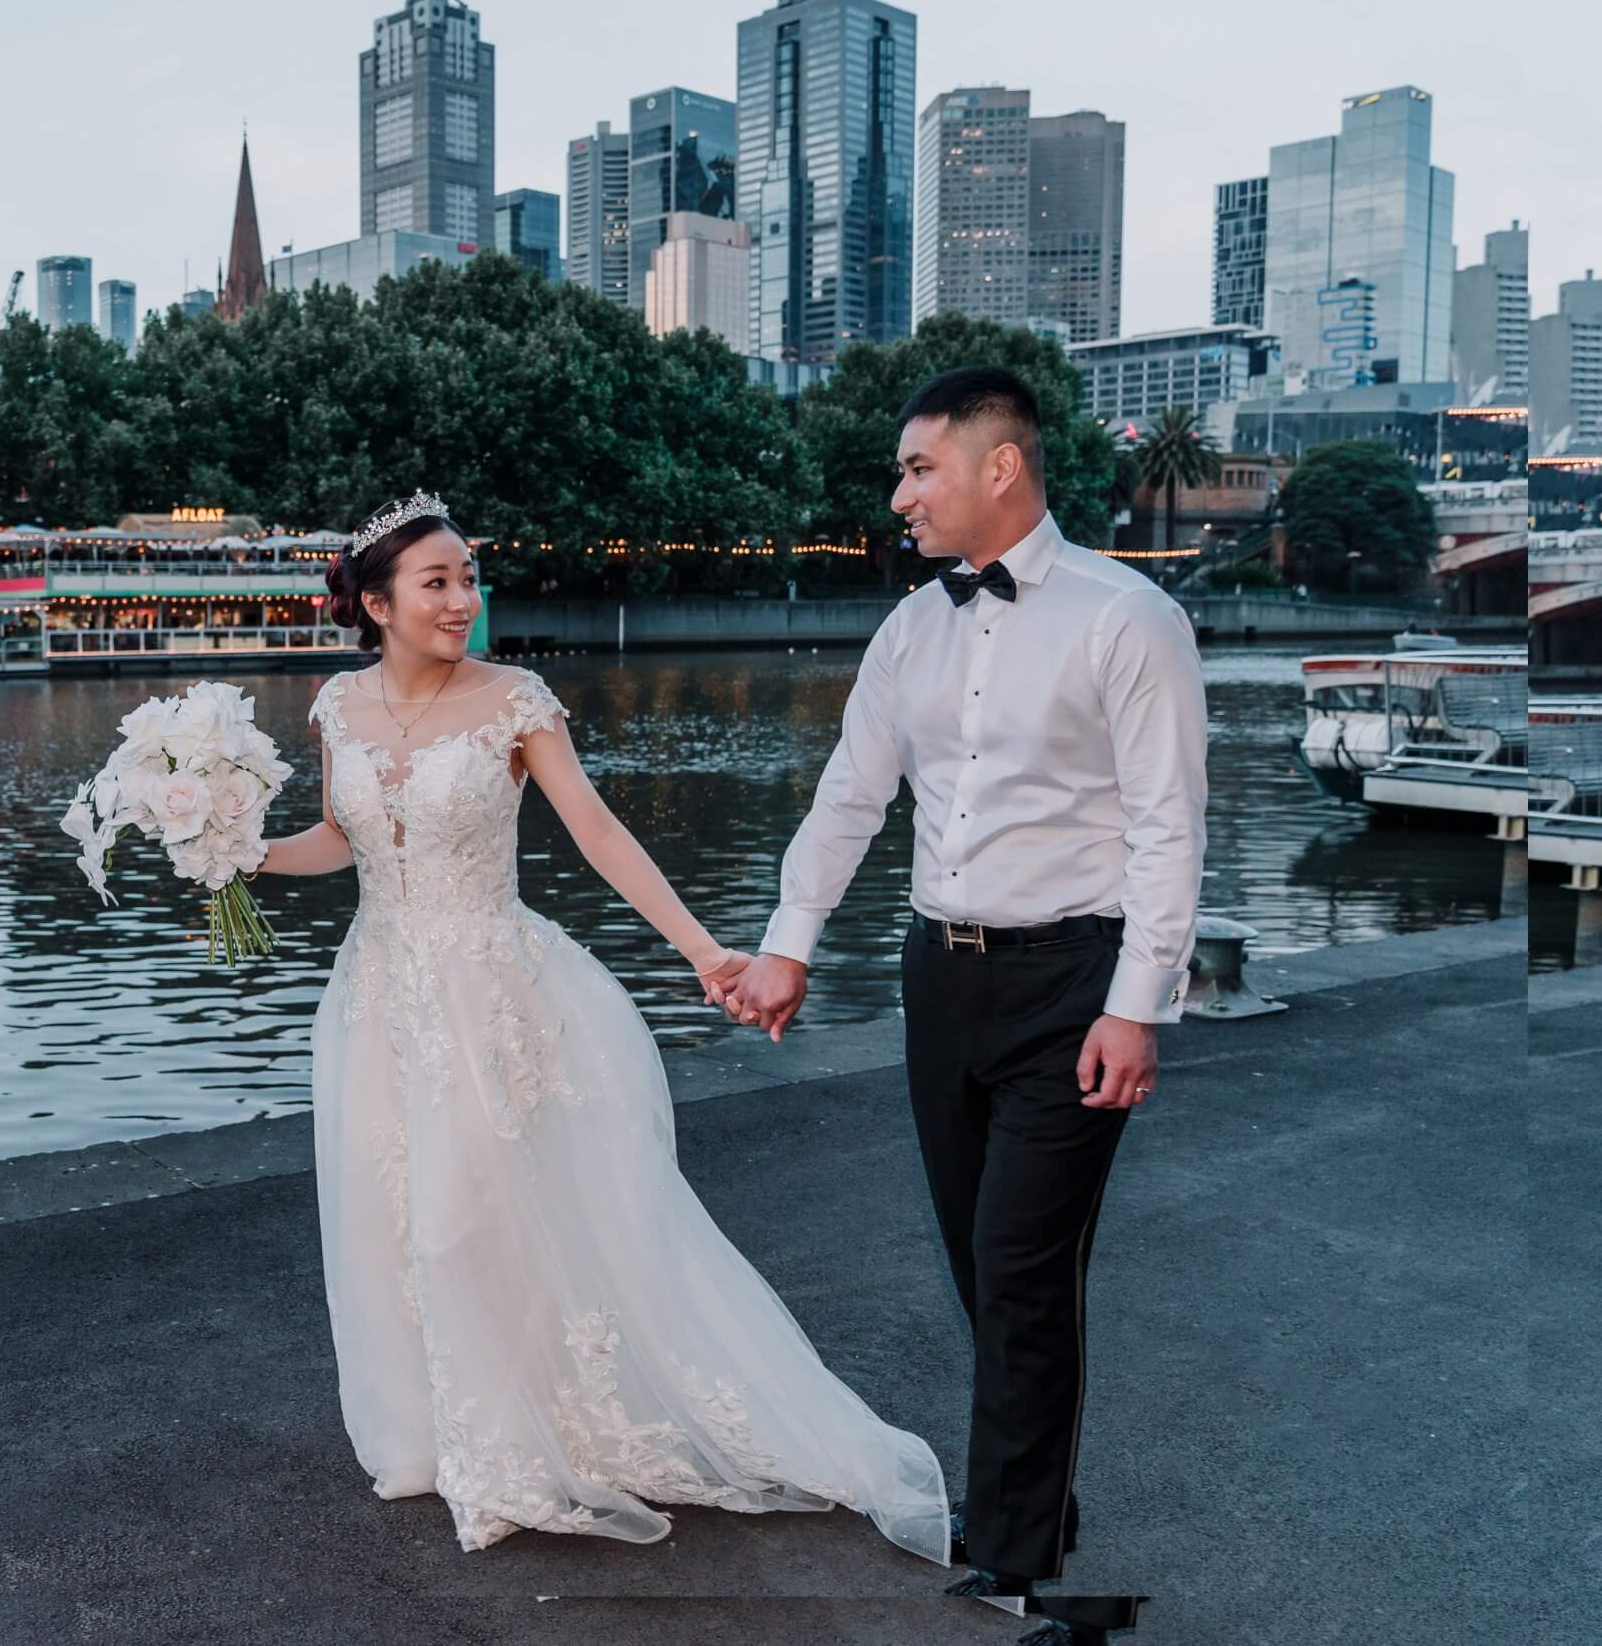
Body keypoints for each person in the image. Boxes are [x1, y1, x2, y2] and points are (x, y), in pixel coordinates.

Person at [252, 491, 950, 1564]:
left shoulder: (514, 700)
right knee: (394, 1217)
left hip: (492, 993)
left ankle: (519, 1446)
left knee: (463, 1220)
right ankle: (443, 1432)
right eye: (436, 583)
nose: (462, 600)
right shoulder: (336, 707)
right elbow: (338, 842)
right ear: (376, 602)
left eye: (468, 579)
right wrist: (235, 850)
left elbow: (596, 832)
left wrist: (703, 950)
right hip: (377, 997)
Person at [713, 366, 1207, 1643]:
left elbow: (1168, 829)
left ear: (1001, 467)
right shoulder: (909, 629)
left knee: (1025, 1268)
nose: (898, 497)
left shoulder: (1127, 617)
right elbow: (846, 798)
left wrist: (1135, 1005)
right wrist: (787, 947)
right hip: (937, 975)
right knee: (979, 1266)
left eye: (918, 468)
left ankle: (1022, 1565)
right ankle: (1031, 1514)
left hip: (1072, 985)